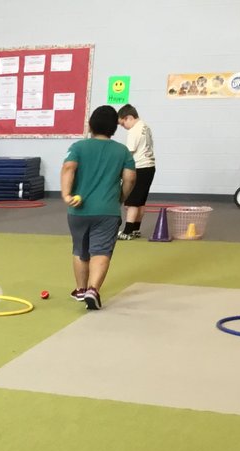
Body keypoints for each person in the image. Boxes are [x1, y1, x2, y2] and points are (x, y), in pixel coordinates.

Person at [61, 106, 136, 310]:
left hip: (78, 209)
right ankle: (93, 289)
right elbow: (130, 178)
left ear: (91, 124)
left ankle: (80, 289)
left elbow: (68, 168)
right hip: (107, 210)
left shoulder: (78, 147)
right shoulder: (122, 151)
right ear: (114, 128)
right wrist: (121, 197)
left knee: (80, 250)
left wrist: (66, 195)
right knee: (101, 251)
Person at [117, 104, 156, 239]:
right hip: (150, 167)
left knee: (132, 202)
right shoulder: (145, 126)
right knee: (140, 201)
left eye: (123, 124)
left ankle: (127, 232)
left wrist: (119, 168)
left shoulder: (133, 131)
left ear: (129, 117)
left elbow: (129, 153)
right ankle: (135, 229)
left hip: (139, 167)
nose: (123, 127)